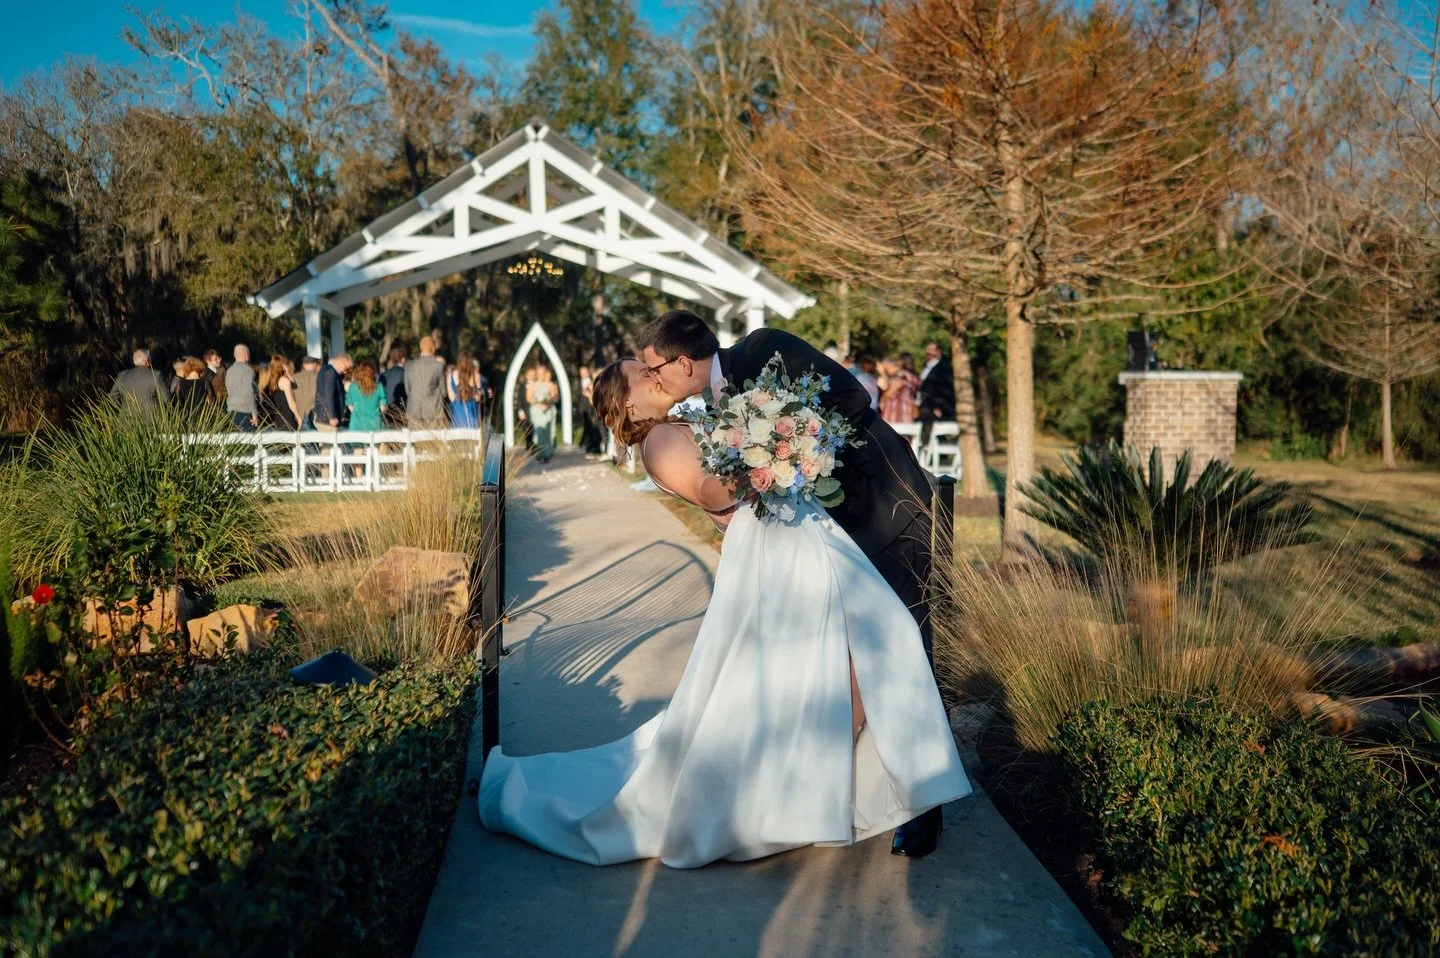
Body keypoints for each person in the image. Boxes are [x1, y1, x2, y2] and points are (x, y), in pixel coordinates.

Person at [477, 310, 969, 868]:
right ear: (629, 404)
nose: (654, 377)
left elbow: (847, 405)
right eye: (644, 376)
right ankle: (831, 790)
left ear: (680, 362)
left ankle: (905, 799)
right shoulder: (662, 439)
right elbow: (717, 493)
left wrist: (781, 447)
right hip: (791, 545)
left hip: (874, 512)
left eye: (652, 368)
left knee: (890, 642)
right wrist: (773, 454)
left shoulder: (743, 369)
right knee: (849, 658)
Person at [916, 340, 956, 445]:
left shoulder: (945, 367)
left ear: (938, 352)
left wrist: (939, 407)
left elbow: (946, 389)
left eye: (930, 352)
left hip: (936, 407)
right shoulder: (928, 366)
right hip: (925, 405)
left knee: (933, 433)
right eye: (927, 353)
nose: (928, 355)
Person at [404, 336, 447, 428]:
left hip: (414, 409)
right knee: (432, 441)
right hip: (433, 411)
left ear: (421, 348)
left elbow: (408, 390)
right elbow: (443, 391)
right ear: (433, 349)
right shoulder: (438, 366)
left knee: (414, 441)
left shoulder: (409, 366)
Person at [259, 354, 302, 430]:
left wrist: (288, 374)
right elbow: (291, 403)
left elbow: (294, 386)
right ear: (283, 366)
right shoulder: (284, 381)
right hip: (286, 417)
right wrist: (299, 417)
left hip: (275, 419)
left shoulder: (268, 381)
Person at [527, 365, 558, 462]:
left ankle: (547, 454)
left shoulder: (550, 385)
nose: (541, 375)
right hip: (537, 411)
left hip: (548, 410)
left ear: (545, 374)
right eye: (539, 373)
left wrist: (547, 403)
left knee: (547, 432)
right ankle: (539, 453)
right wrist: (538, 403)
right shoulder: (533, 385)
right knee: (539, 431)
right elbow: (529, 398)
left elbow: (555, 397)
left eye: (543, 373)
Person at [314, 353, 352, 431]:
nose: (345, 372)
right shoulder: (331, 373)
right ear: (341, 362)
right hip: (328, 420)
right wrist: (332, 416)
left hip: (323, 417)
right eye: (346, 368)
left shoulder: (325, 369)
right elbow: (329, 395)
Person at [345, 359, 387, 432]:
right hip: (375, 425)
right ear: (372, 374)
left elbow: (349, 405)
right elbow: (383, 408)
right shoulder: (379, 387)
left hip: (356, 425)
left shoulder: (353, 387)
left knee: (356, 443)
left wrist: (357, 414)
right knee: (375, 443)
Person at [224, 344, 259, 431]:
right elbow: (249, 392)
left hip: (231, 411)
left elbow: (229, 390)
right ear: (246, 355)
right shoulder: (248, 371)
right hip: (245, 411)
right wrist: (254, 413)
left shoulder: (229, 370)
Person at [878, 355, 920, 425]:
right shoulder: (910, 375)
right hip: (906, 415)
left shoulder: (900, 375)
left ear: (889, 365)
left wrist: (883, 400)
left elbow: (891, 391)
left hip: (896, 417)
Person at [448, 351, 482, 428]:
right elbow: (477, 398)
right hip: (472, 415)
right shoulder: (476, 376)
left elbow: (451, 398)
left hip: (457, 416)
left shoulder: (451, 375)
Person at [576, 364, 604, 456]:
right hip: (589, 408)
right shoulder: (581, 383)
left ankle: (595, 447)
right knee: (592, 427)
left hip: (596, 408)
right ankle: (591, 446)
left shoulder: (595, 385)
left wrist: (589, 395)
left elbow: (594, 399)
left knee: (597, 428)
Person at [380, 346, 407, 426]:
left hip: (386, 411)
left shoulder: (384, 375)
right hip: (401, 412)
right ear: (402, 359)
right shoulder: (405, 373)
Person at [293, 356, 321, 429]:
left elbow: (292, 396)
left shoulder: (294, 377)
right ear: (314, 365)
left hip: (299, 413)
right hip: (314, 413)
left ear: (303, 365)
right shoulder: (319, 377)